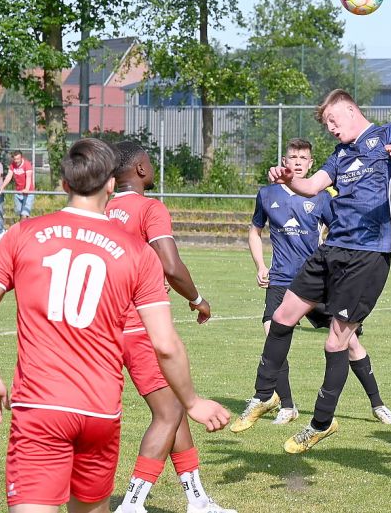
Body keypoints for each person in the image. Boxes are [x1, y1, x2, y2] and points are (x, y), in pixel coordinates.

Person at [0, 138, 228, 513]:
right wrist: (193, 401)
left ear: (63, 184)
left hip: (40, 405)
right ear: (109, 183)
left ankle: (190, 499)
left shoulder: (21, 235)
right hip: (100, 412)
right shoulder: (137, 252)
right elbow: (166, 344)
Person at [234, 89, 391, 454]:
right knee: (282, 315)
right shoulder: (339, 155)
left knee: (337, 341)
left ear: (350, 110)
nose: (330, 128)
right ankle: (264, 396)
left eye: (333, 121)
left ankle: (321, 423)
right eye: (327, 124)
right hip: (331, 250)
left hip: (368, 253)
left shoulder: (389, 133)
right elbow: (310, 186)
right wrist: (286, 178)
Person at [106, 141, 235, 513]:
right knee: (168, 412)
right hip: (141, 324)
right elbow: (170, 263)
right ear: (141, 170)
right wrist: (197, 298)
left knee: (175, 406)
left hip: (108, 326)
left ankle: (197, 500)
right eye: (149, 161)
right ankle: (132, 503)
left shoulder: (105, 208)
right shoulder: (150, 207)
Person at [0, 150, 35, 221]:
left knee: (24, 215)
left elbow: (28, 177)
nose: (16, 161)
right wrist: (2, 187)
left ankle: (23, 231)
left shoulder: (27, 164)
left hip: (28, 193)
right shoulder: (12, 165)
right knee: (20, 213)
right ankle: (28, 226)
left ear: (21, 158)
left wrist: (26, 189)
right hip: (18, 192)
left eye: (18, 159)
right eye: (15, 159)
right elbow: (9, 176)